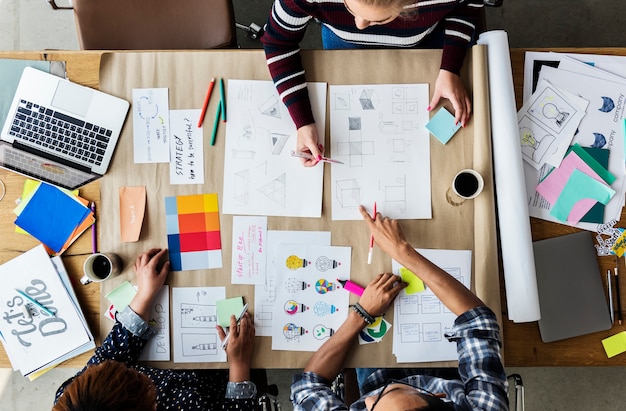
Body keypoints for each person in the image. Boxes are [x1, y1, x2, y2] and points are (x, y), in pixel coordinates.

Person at [289, 207, 509, 410]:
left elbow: (307, 387)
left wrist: (362, 313)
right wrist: (401, 251)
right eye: (388, 391)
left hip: (376, 371)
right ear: (442, 396)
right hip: (449, 369)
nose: (367, 399)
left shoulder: (370, 397)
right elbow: (478, 320)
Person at [262, 0, 482, 166]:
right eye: (350, 7)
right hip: (343, 43)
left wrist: (450, 67)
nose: (359, 25)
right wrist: (302, 121)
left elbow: (469, 7)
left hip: (426, 40)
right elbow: (277, 42)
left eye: (379, 19)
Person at [52, 248, 260, 411]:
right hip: (218, 385)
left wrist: (144, 294)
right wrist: (239, 363)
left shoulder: (70, 398)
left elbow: (111, 354)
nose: (138, 373)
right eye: (143, 383)